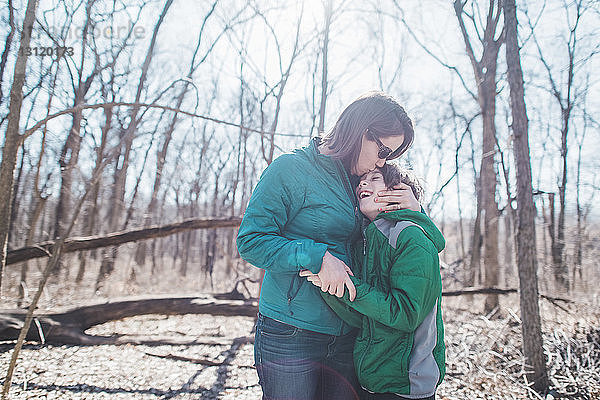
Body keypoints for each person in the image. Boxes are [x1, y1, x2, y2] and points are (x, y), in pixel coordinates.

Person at [236, 91, 420, 400]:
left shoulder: (365, 182)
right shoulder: (290, 169)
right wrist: (316, 257)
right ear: (362, 129)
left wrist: (412, 209)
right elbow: (251, 241)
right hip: (291, 332)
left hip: (351, 333)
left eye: (391, 156)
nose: (382, 161)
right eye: (383, 150)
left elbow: (394, 243)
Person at [301, 163, 446, 400]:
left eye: (375, 178)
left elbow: (405, 314)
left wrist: (349, 284)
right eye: (361, 181)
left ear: (397, 191)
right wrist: (330, 285)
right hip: (373, 379)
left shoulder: (411, 236)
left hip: (406, 383)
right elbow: (365, 318)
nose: (362, 184)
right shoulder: (366, 242)